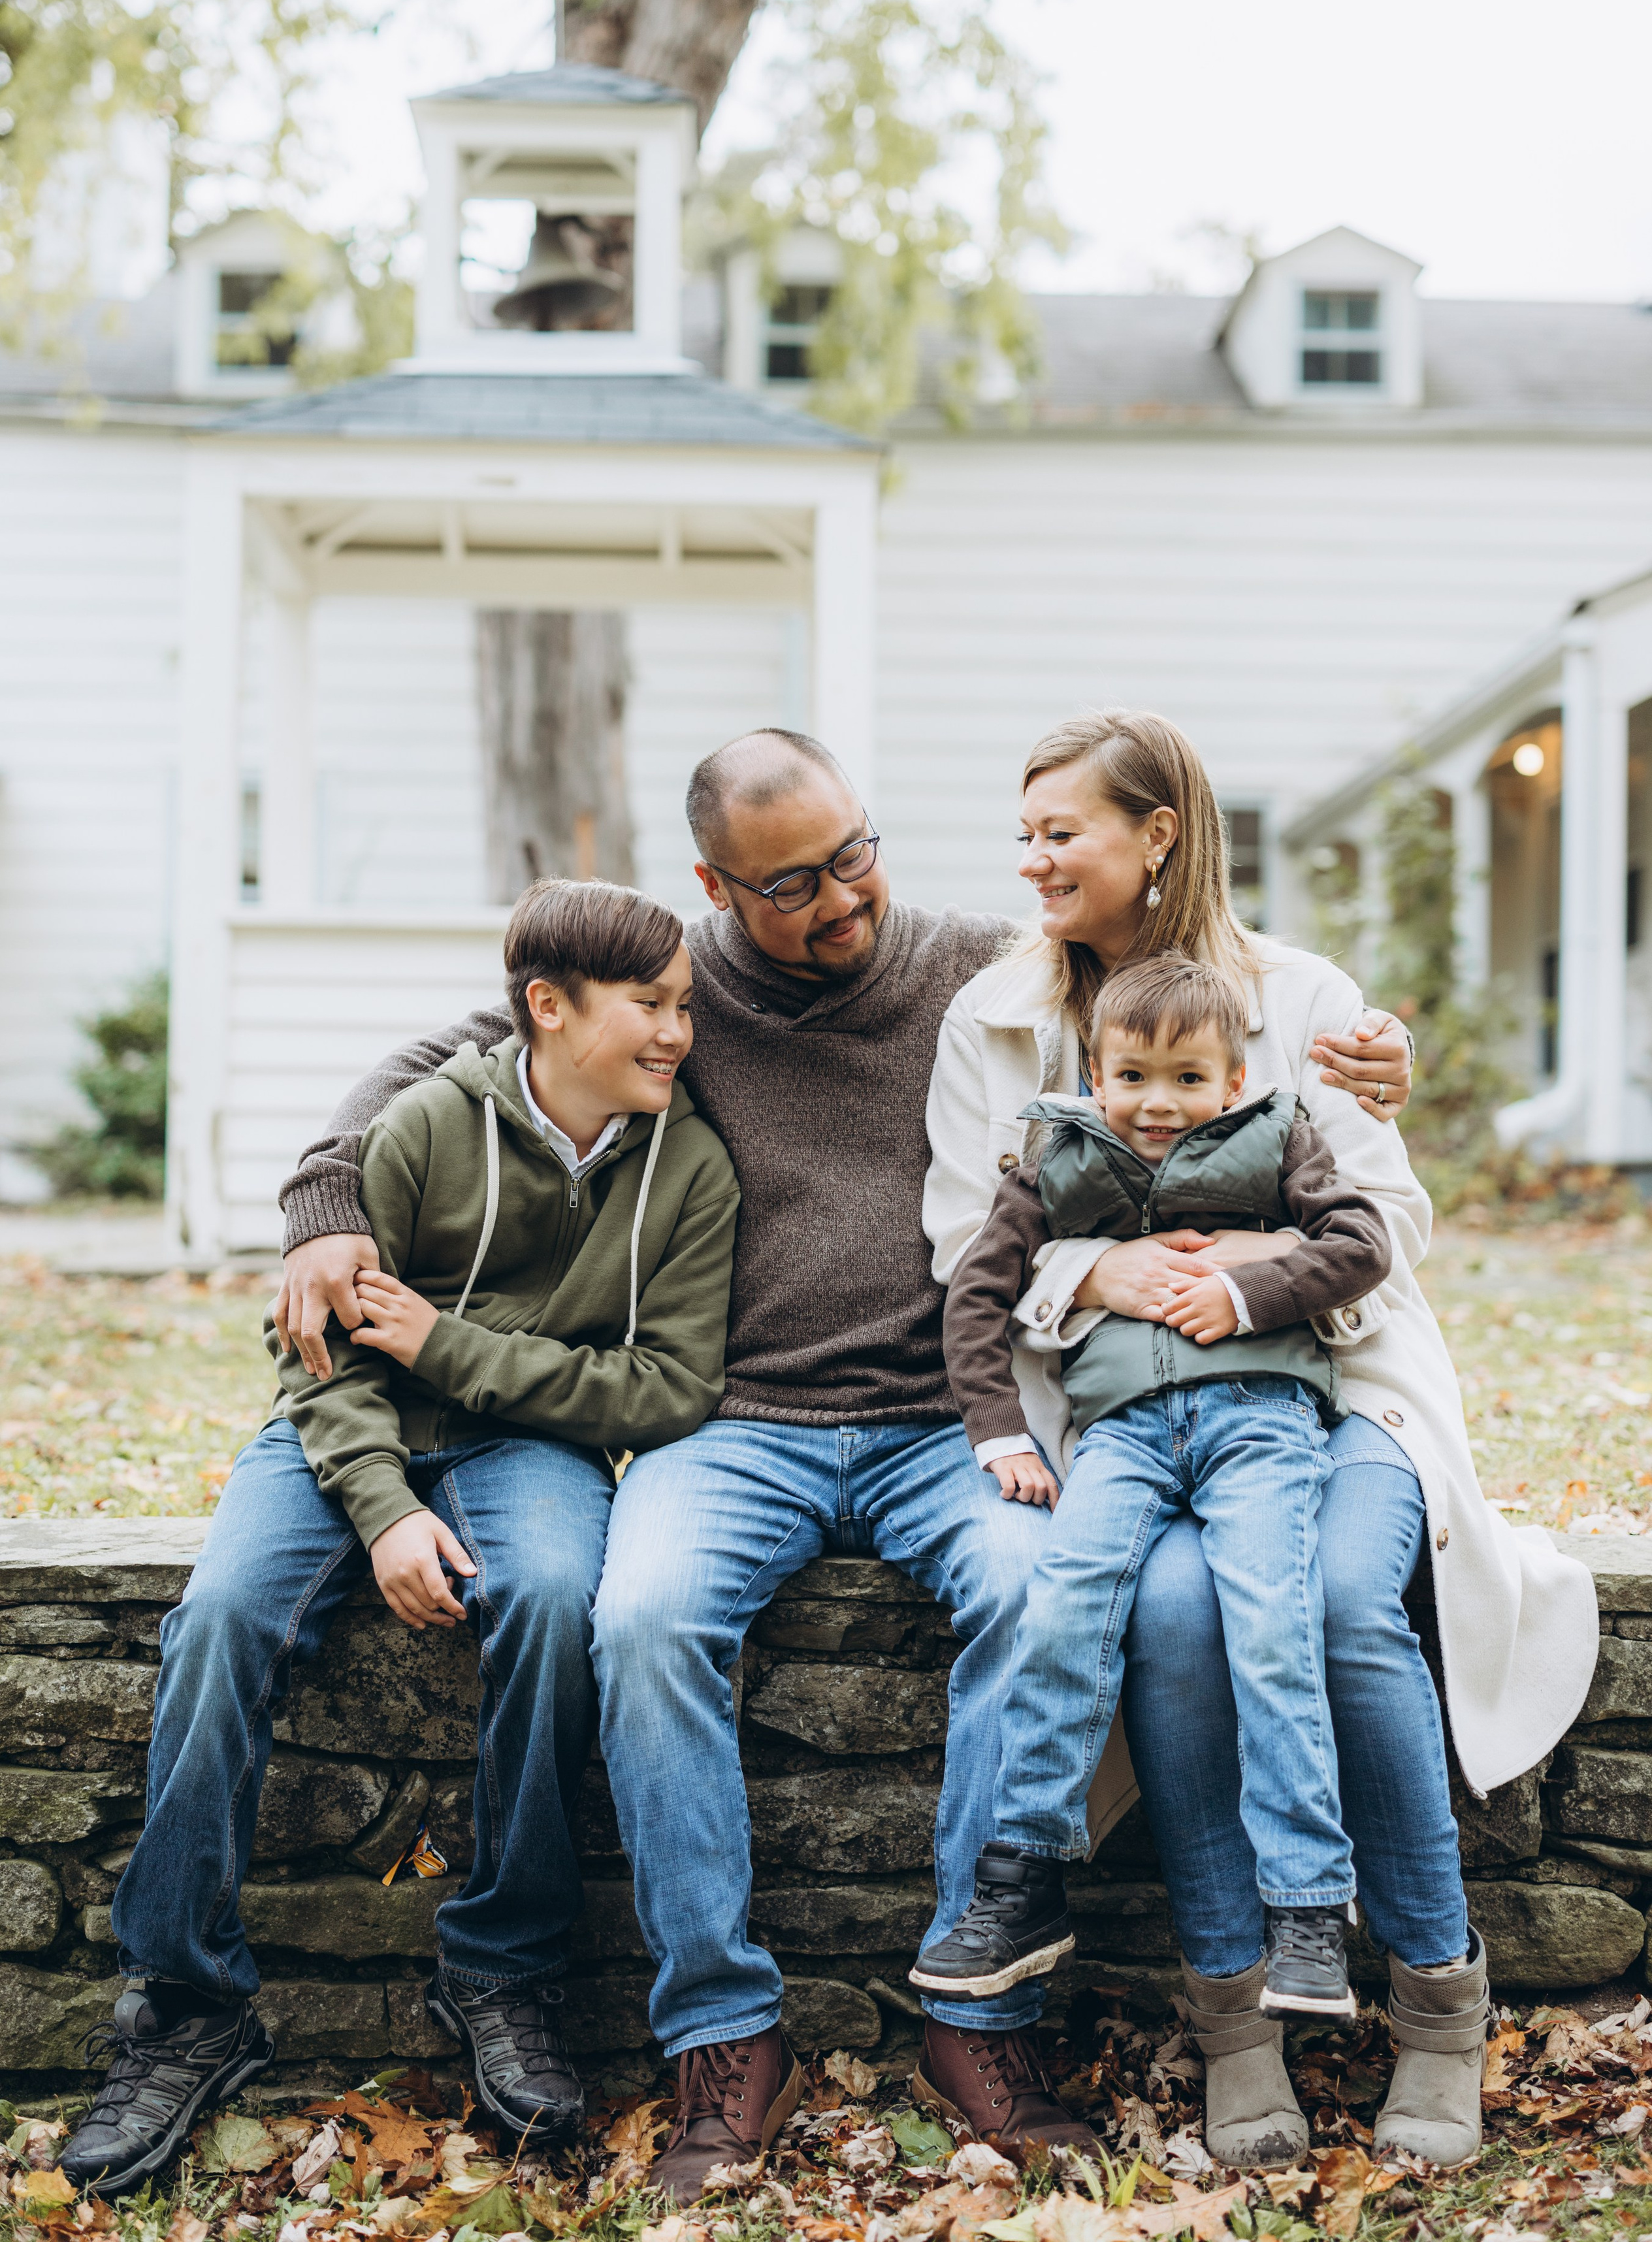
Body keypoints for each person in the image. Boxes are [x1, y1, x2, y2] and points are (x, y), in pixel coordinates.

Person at [270, 726, 1416, 2198]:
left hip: (950, 1418)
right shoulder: (685, 990)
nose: (843, 900)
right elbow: (464, 1048)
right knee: (642, 1618)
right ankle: (719, 2032)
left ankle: (974, 2014)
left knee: (1037, 1586)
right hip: (731, 1422)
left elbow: (1184, 992)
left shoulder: (971, 965)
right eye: (795, 881)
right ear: (717, 887)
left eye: (856, 852)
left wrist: (1374, 1053)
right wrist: (322, 1196)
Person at [922, 707, 1600, 2172]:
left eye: (1061, 831)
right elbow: (954, 1244)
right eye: (1022, 831)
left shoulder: (1301, 999)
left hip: (1325, 1387)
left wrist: (1239, 1270)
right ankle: (1237, 2018)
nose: (1030, 858)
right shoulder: (990, 1016)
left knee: (1346, 1602)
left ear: (1157, 833)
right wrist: (1098, 1273)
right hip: (1107, 1402)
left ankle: (1434, 2001)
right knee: (1167, 1616)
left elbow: (1386, 1220)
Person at [61, 880, 738, 2200]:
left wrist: (458, 1347)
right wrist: (383, 1509)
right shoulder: (427, 1126)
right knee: (217, 1621)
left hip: (525, 1447)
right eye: (650, 1005)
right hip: (343, 1432)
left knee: (551, 1596)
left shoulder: (690, 1167)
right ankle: (184, 2003)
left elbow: (669, 1387)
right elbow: (316, 1350)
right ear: (550, 1007)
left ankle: (503, 1966)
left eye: (686, 1006)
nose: (677, 1031)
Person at [913, 954, 1391, 2020]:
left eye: (1187, 1078)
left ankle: (1309, 1907)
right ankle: (1022, 1873)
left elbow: (1363, 1244)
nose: (1159, 1104)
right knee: (1065, 1606)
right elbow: (976, 1295)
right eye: (1134, 1076)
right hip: (1121, 1432)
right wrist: (998, 1436)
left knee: (1273, 1619)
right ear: (1095, 1071)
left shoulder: (1280, 1135)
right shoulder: (1054, 1156)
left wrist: (1245, 1288)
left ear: (1232, 1080)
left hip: (1261, 1420)